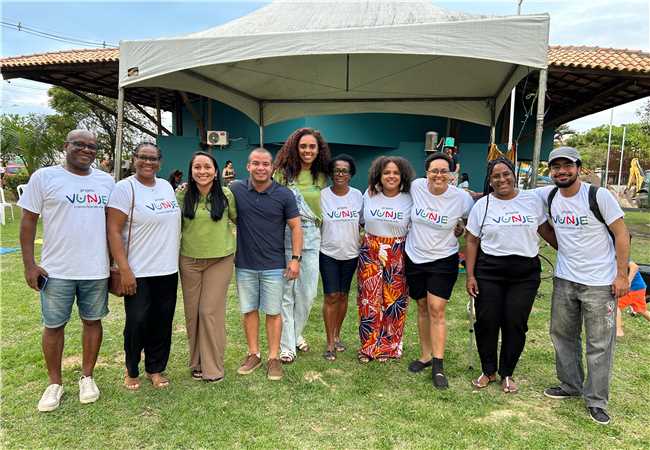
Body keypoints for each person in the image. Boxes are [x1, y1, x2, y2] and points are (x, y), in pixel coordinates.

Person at [18, 130, 115, 412]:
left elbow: (112, 225)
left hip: (95, 269)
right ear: (66, 146)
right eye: (79, 144)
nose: (86, 149)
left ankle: (87, 377)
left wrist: (114, 264)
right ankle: (54, 383)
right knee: (53, 325)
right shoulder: (44, 177)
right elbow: (28, 221)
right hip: (56, 270)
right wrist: (29, 264)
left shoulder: (106, 181)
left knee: (92, 322)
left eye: (92, 146)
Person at [536, 147, 630, 426]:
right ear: (550, 171)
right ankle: (570, 385)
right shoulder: (549, 195)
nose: (561, 171)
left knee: (599, 344)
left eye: (567, 166)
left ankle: (597, 400)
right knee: (562, 335)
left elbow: (622, 234)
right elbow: (518, 201)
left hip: (600, 283)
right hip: (565, 279)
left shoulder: (598, 196)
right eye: (556, 167)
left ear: (579, 168)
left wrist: (622, 275)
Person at [465, 157, 557, 394]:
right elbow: (472, 240)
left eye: (506, 174)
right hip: (489, 270)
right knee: (487, 321)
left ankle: (507, 373)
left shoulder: (531, 200)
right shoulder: (482, 205)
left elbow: (545, 230)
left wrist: (572, 250)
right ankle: (488, 370)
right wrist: (470, 275)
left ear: (514, 175)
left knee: (515, 322)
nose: (502, 179)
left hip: (524, 273)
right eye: (496, 176)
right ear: (490, 180)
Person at [107, 142, 181, 391]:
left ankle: (155, 368)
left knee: (162, 321)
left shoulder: (166, 186)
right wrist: (124, 269)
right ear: (134, 158)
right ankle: (132, 369)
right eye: (143, 157)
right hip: (138, 270)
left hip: (167, 269)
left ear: (160, 162)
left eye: (153, 158)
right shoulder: (124, 188)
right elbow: (113, 231)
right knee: (137, 321)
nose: (148, 162)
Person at [230, 148, 303, 381]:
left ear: (272, 168)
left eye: (265, 164)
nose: (260, 168)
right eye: (256, 163)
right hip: (245, 264)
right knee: (249, 310)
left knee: (273, 312)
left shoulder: (284, 195)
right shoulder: (236, 190)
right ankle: (254, 354)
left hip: (274, 265)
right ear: (248, 166)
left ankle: (273, 358)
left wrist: (296, 259)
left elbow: (296, 227)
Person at [405, 152, 474, 388]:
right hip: (414, 256)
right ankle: (425, 355)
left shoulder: (462, 198)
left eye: (444, 171)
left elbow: (470, 223)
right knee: (422, 306)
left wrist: (462, 228)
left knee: (437, 308)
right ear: (427, 173)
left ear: (452, 174)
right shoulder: (416, 187)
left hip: (443, 259)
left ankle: (438, 364)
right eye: (434, 170)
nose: (438, 175)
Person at [177, 152, 236, 382]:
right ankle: (197, 363)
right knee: (192, 314)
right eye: (197, 167)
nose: (202, 171)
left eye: (207, 167)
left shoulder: (226, 194)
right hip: (189, 260)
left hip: (220, 259)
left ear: (216, 170)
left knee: (209, 311)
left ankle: (213, 368)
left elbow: (239, 219)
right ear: (191, 171)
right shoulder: (182, 194)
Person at [273, 128, 330, 363]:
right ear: (295, 148)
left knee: (307, 293)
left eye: (312, 146)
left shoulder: (321, 176)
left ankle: (295, 334)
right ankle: (287, 346)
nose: (307, 150)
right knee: (287, 293)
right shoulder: (281, 175)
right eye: (303, 146)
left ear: (318, 150)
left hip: (313, 236)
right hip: (286, 235)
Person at [357, 156, 414, 362]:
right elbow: (360, 221)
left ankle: (389, 347)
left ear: (402, 176)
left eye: (396, 173)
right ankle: (369, 347)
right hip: (370, 250)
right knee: (369, 300)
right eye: (386, 172)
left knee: (394, 301)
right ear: (379, 175)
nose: (391, 176)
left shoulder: (409, 198)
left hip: (397, 251)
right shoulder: (369, 194)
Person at [319, 154, 363, 361]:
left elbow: (364, 222)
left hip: (351, 253)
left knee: (343, 295)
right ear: (331, 173)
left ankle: (337, 335)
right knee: (331, 296)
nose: (340, 174)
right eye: (336, 170)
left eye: (344, 171)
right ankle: (329, 343)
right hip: (328, 252)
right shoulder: (322, 196)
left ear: (350, 174)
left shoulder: (357, 196)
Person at [616, 260, 649, 337]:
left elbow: (634, 267)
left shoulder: (618, 256)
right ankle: (618, 325)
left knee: (615, 306)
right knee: (642, 310)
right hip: (639, 287)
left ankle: (618, 331)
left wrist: (628, 282)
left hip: (633, 288)